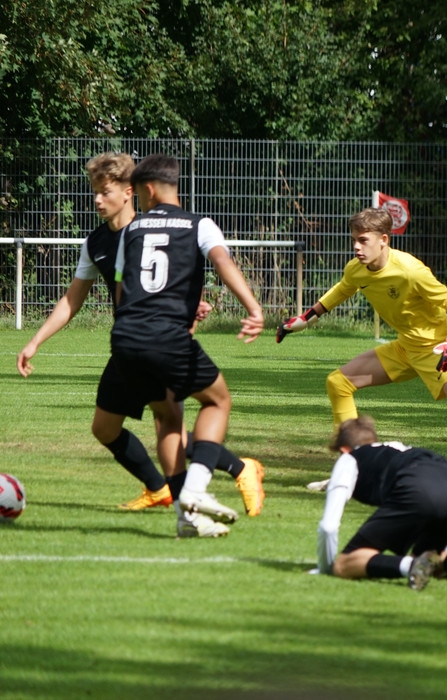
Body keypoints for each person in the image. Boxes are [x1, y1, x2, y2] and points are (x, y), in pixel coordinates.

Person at [16, 153, 265, 519]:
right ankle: (169, 488)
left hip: (159, 337)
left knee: (168, 420)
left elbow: (181, 271)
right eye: (95, 192)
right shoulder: (97, 243)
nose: (97, 200)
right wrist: (36, 340)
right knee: (107, 428)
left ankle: (208, 489)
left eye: (105, 192)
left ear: (131, 192)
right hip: (130, 340)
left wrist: (189, 306)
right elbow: (72, 299)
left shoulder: (150, 228)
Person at [276, 207, 447, 509]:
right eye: (354, 240)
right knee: (338, 382)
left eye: (363, 240)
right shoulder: (356, 269)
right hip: (404, 349)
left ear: (384, 240)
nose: (356, 247)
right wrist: (305, 318)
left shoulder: (410, 271)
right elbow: (341, 290)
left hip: (437, 351)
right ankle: (349, 472)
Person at [111, 152, 265, 537]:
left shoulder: (130, 229)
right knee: (218, 400)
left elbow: (121, 289)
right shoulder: (199, 224)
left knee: (167, 417)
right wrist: (253, 307)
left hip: (126, 338)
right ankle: (195, 489)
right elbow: (222, 262)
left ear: (148, 189)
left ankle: (187, 518)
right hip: (167, 336)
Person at [313, 415, 447, 591]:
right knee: (429, 559)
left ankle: (411, 565)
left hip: (418, 490)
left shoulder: (349, 458)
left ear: (343, 450)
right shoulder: (399, 448)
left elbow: (328, 527)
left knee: (344, 564)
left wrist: (326, 568)